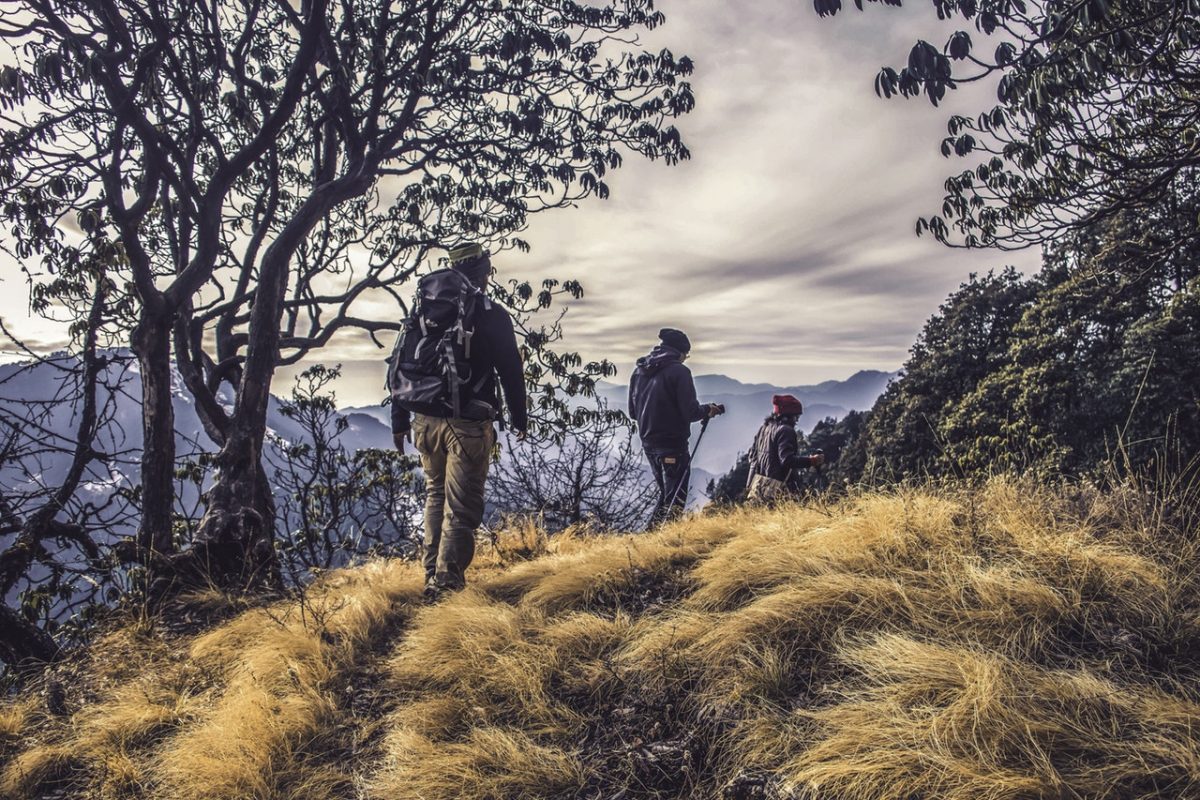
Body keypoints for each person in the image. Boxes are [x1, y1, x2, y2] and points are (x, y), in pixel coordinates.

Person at [390, 243, 527, 600]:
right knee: (461, 507)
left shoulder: (424, 311)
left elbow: (401, 362)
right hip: (466, 423)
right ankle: (446, 587)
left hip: (424, 419)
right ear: (483, 271)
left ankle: (431, 575)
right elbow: (511, 370)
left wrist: (399, 419)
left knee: (435, 496)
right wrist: (519, 417)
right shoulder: (489, 313)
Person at [628, 328, 725, 526]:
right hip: (672, 445)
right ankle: (664, 545)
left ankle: (650, 541)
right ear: (680, 352)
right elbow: (690, 412)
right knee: (675, 500)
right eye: (686, 355)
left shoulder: (639, 371)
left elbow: (632, 412)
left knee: (666, 496)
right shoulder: (680, 372)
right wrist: (708, 410)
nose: (685, 359)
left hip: (648, 443)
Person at [745, 394, 825, 502]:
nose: (796, 421)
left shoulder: (764, 428)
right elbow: (787, 460)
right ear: (787, 416)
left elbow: (752, 456)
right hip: (778, 490)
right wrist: (812, 461)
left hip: (758, 488)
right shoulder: (785, 430)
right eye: (796, 416)